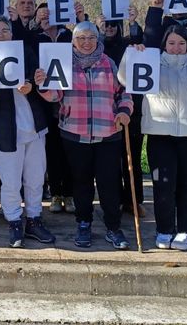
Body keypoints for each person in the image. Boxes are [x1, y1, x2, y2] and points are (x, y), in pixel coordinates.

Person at [35, 21, 134, 250]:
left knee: (109, 184)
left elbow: (124, 92)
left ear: (97, 39)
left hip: (108, 132)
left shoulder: (109, 64)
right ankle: (83, 223)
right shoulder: (63, 63)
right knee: (81, 183)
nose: (86, 42)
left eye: (91, 38)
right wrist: (42, 84)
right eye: (81, 38)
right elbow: (54, 96)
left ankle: (113, 227)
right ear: (73, 41)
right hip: (75, 132)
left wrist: (124, 111)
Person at [121, 25, 187, 251]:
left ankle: (185, 231)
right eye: (171, 43)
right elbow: (123, 78)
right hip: (160, 133)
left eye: (181, 43)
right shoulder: (152, 63)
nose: (176, 48)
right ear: (164, 44)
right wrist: (132, 54)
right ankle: (164, 229)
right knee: (163, 185)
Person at [0, 16, 55, 248]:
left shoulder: (27, 53)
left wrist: (32, 85)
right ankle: (14, 220)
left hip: (33, 126)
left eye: (5, 30)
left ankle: (34, 219)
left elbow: (42, 78)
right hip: (4, 132)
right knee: (10, 181)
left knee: (34, 179)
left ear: (12, 33)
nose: (0, 35)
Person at [98, 9, 147, 218]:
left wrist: (134, 22)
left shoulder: (128, 45)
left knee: (132, 159)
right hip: (105, 110)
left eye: (113, 26)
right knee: (110, 161)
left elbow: (138, 39)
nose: (109, 29)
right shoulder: (98, 50)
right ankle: (116, 200)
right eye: (105, 26)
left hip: (131, 110)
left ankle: (134, 200)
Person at [34, 2, 75, 214]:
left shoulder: (68, 35)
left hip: (69, 102)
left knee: (69, 150)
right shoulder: (36, 37)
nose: (48, 18)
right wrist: (37, 25)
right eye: (43, 15)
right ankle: (56, 192)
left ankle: (70, 194)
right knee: (52, 151)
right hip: (46, 104)